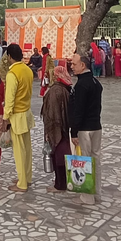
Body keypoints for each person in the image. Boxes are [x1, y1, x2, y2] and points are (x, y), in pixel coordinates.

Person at [69, 53, 103, 204]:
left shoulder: (82, 85)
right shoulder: (95, 82)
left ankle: (87, 196)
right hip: (96, 126)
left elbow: (79, 110)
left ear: (83, 65)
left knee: (84, 160)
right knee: (95, 159)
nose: (71, 66)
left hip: (85, 128)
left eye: (74, 64)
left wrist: (74, 131)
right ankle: (96, 192)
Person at [3, 43, 35, 191]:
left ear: (9, 56)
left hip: (16, 115)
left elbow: (9, 99)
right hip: (26, 112)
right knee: (27, 148)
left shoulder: (12, 74)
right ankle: (27, 177)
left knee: (19, 151)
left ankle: (22, 183)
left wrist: (5, 117)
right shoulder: (27, 70)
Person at [41, 65, 72, 193]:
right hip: (64, 127)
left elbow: (52, 113)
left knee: (58, 156)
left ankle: (60, 184)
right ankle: (62, 182)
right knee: (63, 155)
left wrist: (50, 131)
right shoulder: (66, 88)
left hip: (57, 129)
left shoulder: (55, 90)